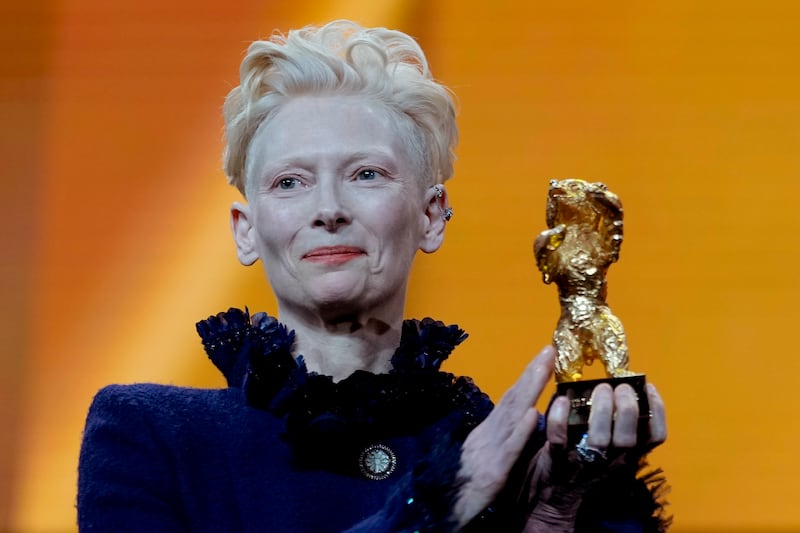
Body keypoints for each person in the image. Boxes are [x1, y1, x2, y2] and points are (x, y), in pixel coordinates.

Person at [77, 20, 668, 532]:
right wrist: (437, 505)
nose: (328, 208)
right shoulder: (153, 437)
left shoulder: (512, 450)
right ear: (246, 230)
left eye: (365, 174)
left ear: (431, 216)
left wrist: (555, 513)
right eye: (290, 182)